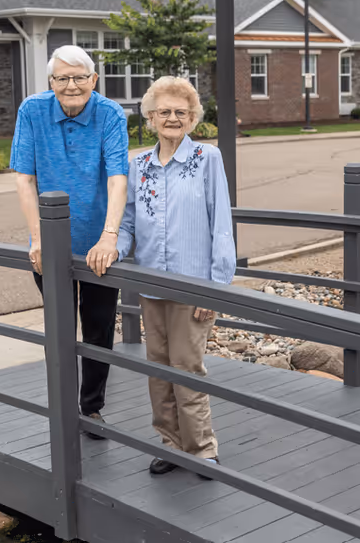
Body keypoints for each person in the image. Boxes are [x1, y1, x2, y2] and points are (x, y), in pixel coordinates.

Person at [117, 76, 235, 475]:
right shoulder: (140, 165)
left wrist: (214, 288)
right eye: (164, 111)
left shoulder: (207, 159)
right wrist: (112, 248)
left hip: (192, 286)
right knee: (158, 368)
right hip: (152, 285)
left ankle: (201, 449)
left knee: (187, 368)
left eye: (180, 112)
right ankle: (170, 444)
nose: (171, 118)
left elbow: (221, 224)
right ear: (150, 117)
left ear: (192, 118)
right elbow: (128, 224)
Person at [11, 45, 128, 438]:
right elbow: (24, 178)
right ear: (51, 82)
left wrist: (109, 236)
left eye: (80, 77)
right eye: (62, 78)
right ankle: (62, 404)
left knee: (98, 329)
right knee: (59, 329)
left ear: (94, 80)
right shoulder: (32, 111)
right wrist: (40, 237)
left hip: (97, 244)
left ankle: (91, 409)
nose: (71, 85)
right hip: (51, 243)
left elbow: (117, 177)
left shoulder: (110, 114)